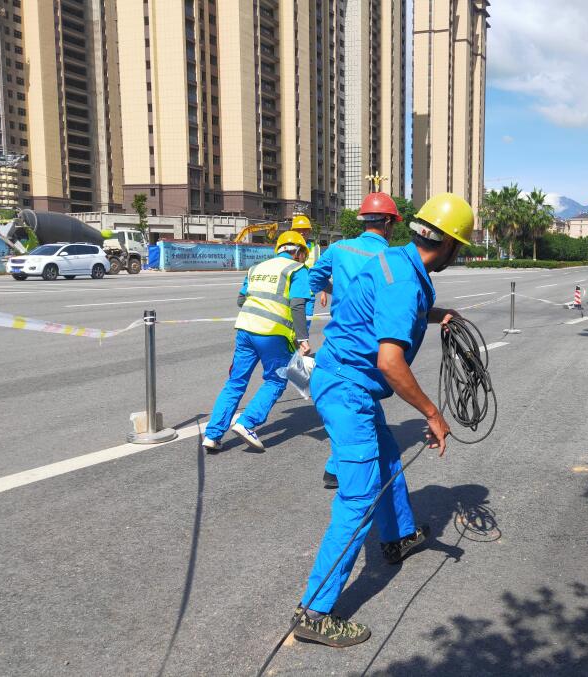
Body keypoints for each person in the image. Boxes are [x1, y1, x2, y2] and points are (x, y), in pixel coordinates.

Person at [292, 193, 474, 648]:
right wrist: (433, 414)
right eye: (461, 248)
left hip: (344, 380)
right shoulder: (405, 282)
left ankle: (397, 537)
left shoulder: (395, 260)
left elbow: (380, 309)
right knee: (358, 497)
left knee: (389, 456)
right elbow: (391, 362)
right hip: (348, 390)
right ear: (449, 245)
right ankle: (314, 611)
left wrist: (438, 316)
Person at [308, 191, 402, 489]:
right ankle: (342, 469)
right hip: (373, 337)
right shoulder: (392, 257)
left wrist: (336, 292)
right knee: (361, 399)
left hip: (340, 335)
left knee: (353, 400)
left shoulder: (339, 249)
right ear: (388, 222)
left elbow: (313, 279)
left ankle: (336, 467)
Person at [202, 231, 312, 452]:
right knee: (276, 380)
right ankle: (247, 423)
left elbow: (241, 299)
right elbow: (298, 305)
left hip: (245, 329)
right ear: (298, 252)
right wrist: (303, 339)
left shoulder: (257, 269)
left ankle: (212, 435)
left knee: (235, 381)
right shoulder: (297, 270)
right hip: (272, 333)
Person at [291, 214, 321, 326]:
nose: (302, 233)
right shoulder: (287, 247)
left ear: (309, 231)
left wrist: (323, 292)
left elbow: (321, 271)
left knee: (304, 327)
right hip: (291, 293)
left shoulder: (315, 249)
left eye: (305, 230)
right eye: (299, 230)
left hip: (309, 294)